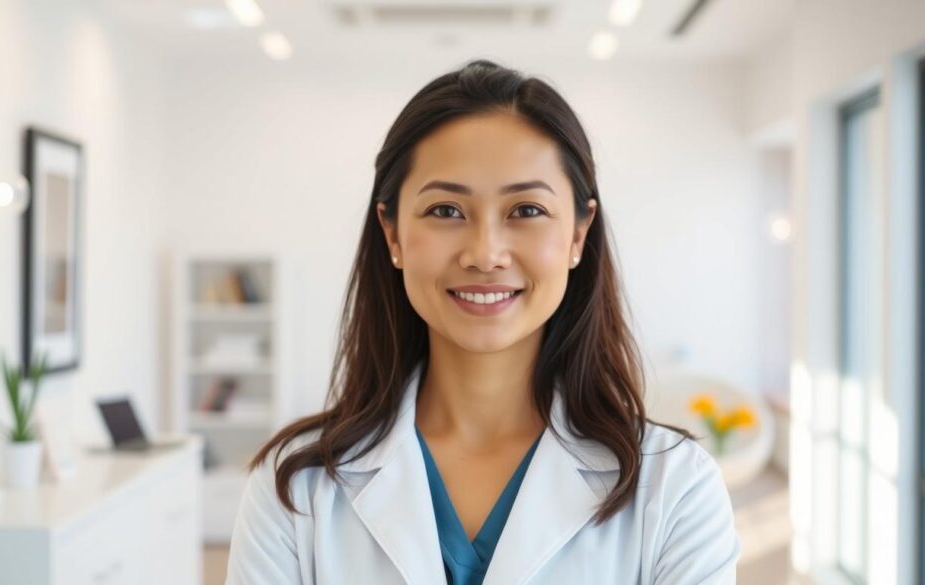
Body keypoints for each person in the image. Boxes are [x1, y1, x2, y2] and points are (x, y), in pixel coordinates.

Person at [225, 59, 742, 584]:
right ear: (393, 234)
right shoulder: (293, 489)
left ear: (579, 234)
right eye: (446, 210)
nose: (485, 253)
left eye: (526, 210)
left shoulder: (676, 488)